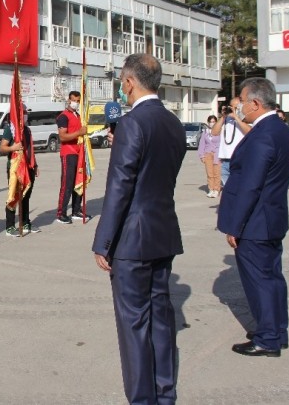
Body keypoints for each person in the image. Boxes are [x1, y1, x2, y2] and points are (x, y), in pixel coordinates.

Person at [92, 54, 186, 404]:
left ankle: (142, 399)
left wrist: (104, 240)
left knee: (133, 324)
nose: (121, 86)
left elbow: (121, 186)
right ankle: (165, 392)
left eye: (121, 81)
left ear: (130, 82)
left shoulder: (133, 124)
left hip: (133, 238)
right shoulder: (173, 123)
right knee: (161, 319)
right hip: (163, 232)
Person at [218, 77, 289, 358]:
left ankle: (267, 338)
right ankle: (276, 330)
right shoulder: (281, 130)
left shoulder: (263, 135)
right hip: (272, 217)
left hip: (255, 222)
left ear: (255, 103)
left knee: (260, 282)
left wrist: (234, 226)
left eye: (241, 100)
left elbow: (250, 184)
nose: (238, 105)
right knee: (273, 279)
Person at [1, 104, 39, 236]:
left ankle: (25, 222)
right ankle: (10, 226)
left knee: (26, 196)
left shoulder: (27, 130)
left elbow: (30, 150)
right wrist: (14, 147)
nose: (25, 114)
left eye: (26, 112)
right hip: (15, 167)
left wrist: (35, 166)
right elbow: (2, 147)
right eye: (23, 112)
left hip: (28, 167)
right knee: (13, 195)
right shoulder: (10, 129)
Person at [56, 90, 89, 224]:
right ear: (68, 100)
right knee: (67, 184)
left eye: (78, 100)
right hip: (68, 153)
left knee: (79, 182)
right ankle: (61, 213)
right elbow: (63, 137)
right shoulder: (63, 116)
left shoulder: (79, 116)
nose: (76, 103)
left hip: (79, 153)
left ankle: (76, 209)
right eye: (74, 100)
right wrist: (79, 133)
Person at [211, 98, 250, 188]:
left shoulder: (246, 119)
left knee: (240, 188)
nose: (232, 109)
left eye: (235, 107)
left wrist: (236, 117)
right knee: (228, 189)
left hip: (240, 159)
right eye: (231, 107)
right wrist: (223, 117)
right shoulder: (226, 119)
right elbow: (214, 132)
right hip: (225, 160)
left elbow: (249, 132)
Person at [198, 115, 221, 198]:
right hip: (208, 153)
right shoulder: (206, 132)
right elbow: (202, 144)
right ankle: (211, 189)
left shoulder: (220, 131)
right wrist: (201, 155)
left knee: (217, 173)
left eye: (213, 121)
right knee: (209, 173)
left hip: (217, 154)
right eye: (210, 122)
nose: (212, 123)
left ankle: (216, 189)